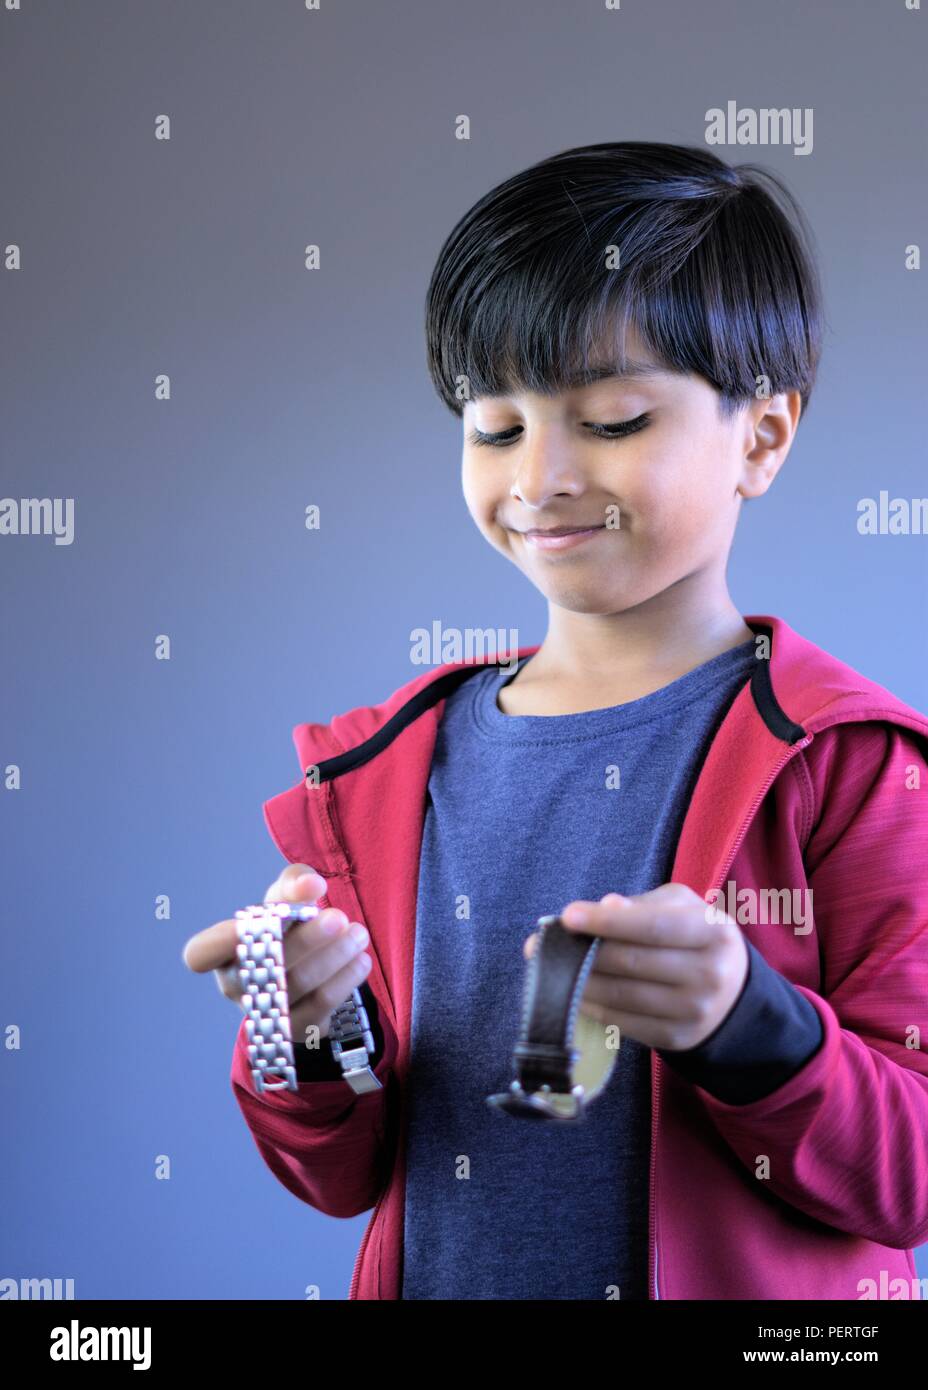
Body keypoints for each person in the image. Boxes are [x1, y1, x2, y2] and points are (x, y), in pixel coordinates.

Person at [183, 141, 928, 1301]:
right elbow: (335, 1176)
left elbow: (909, 1175)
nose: (540, 477)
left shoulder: (857, 764)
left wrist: (751, 1026)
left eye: (615, 420)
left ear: (762, 437)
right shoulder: (383, 774)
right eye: (494, 427)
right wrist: (307, 1025)